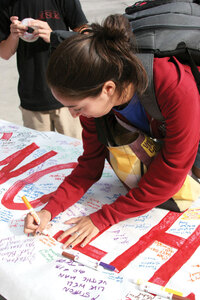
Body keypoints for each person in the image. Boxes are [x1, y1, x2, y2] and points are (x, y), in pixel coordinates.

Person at [24, 14, 200, 249]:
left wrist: (103, 218)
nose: (74, 116)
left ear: (108, 89)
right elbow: (89, 166)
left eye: (77, 108)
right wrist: (49, 210)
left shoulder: (171, 85)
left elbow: (171, 171)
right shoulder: (95, 102)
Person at [0, 0, 88, 139]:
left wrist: (54, 36)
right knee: (39, 157)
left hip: (68, 97)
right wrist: (13, 35)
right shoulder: (7, 4)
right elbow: (4, 53)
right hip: (32, 100)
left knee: (78, 154)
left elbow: (87, 38)